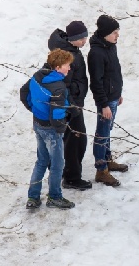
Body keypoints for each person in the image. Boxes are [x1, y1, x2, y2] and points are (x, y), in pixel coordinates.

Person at [20, 48, 75, 210]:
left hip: (38, 124)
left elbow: (24, 93)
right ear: (58, 67)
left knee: (41, 160)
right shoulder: (58, 87)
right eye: (67, 65)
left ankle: (33, 196)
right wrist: (61, 128)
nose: (69, 68)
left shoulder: (38, 76)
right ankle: (54, 196)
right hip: (51, 129)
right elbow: (57, 115)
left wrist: (35, 109)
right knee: (58, 164)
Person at [48, 21, 92, 191]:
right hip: (70, 105)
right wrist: (75, 95)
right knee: (75, 140)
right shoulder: (66, 55)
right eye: (82, 38)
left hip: (74, 103)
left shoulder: (72, 50)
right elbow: (64, 82)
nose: (85, 41)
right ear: (73, 38)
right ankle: (72, 178)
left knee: (75, 139)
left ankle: (69, 173)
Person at [88, 14, 128, 187]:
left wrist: (117, 92)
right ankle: (101, 170)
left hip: (113, 97)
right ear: (105, 33)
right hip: (105, 101)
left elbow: (114, 72)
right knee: (102, 133)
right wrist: (103, 104)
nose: (117, 35)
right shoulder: (96, 53)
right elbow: (96, 82)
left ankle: (107, 159)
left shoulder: (111, 46)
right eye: (114, 32)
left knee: (107, 130)